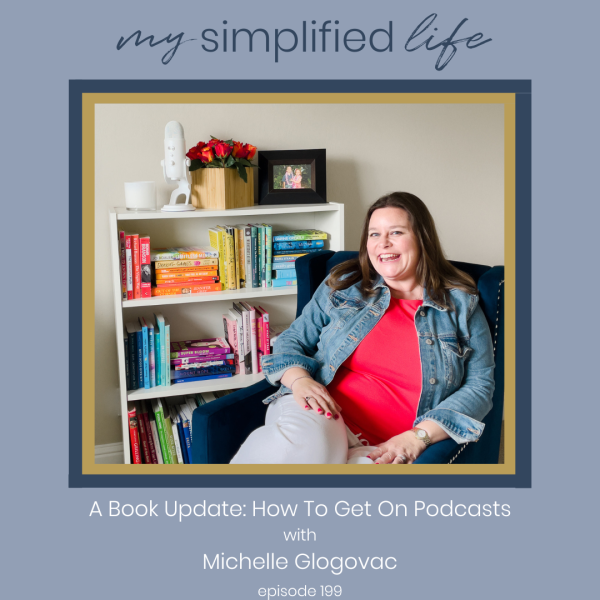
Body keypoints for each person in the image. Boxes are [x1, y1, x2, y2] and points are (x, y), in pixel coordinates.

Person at [230, 192, 495, 465]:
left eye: (396, 232)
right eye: (374, 234)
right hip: (320, 412)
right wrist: (301, 381)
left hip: (385, 448)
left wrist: (417, 438)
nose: (383, 244)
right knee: (303, 448)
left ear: (422, 238)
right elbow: (293, 339)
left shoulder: (461, 304)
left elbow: (479, 387)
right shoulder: (345, 285)